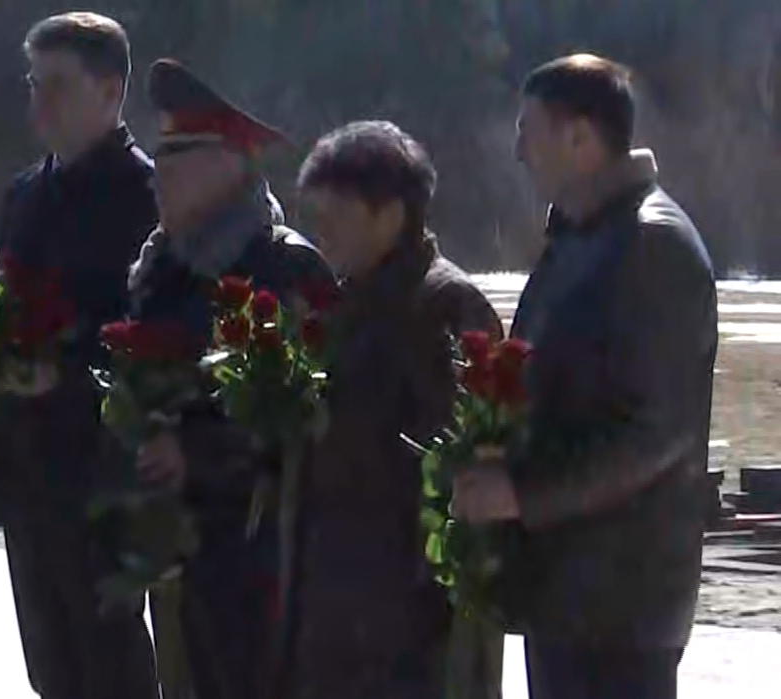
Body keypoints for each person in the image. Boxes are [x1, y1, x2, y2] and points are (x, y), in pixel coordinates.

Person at [453, 54, 717, 699]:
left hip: (621, 603)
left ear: (580, 138)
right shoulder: (581, 240)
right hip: (570, 588)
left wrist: (523, 494)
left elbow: (656, 433)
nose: (518, 151)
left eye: (528, 130)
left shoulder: (652, 246)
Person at [127, 58, 335, 699]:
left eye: (176, 153)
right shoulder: (164, 266)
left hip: (259, 553)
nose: (156, 172)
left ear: (229, 162)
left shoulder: (282, 267)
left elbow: (308, 422)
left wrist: (192, 452)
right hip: (181, 547)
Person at [0, 12, 161, 699]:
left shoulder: (149, 195)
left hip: (103, 467)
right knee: (49, 663)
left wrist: (71, 369)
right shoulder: (24, 194)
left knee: (109, 660)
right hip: (27, 464)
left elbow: (156, 336)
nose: (39, 101)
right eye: (33, 83)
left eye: (58, 85)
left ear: (110, 93)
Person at [285, 121, 503, 698]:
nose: (321, 235)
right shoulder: (346, 301)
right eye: (316, 219)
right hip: (333, 597)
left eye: (336, 218)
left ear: (391, 214)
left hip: (404, 612)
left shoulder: (444, 306)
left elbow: (455, 464)